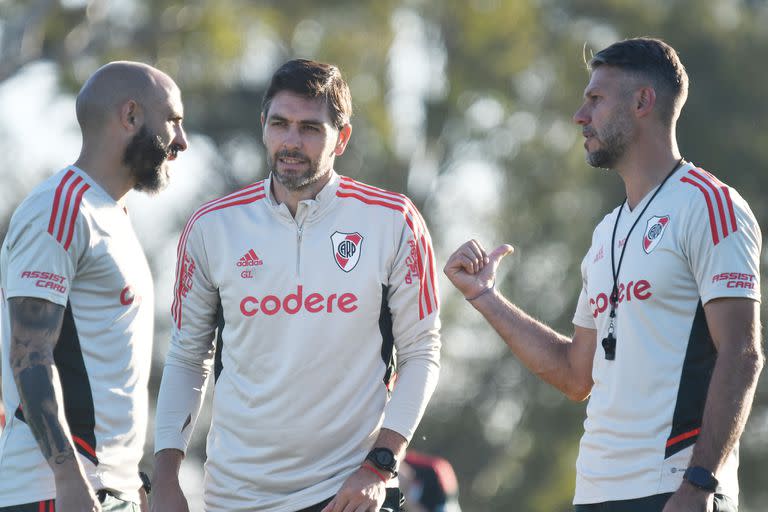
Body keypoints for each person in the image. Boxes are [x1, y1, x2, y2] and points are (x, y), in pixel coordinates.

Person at [444, 38, 762, 512]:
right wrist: (484, 296)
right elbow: (576, 375)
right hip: (597, 490)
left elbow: (741, 353)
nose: (579, 115)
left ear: (642, 102)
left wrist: (699, 483)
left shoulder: (710, 205)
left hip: (676, 488)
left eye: (595, 99)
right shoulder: (606, 233)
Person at [151, 58, 441, 512]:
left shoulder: (393, 220)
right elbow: (188, 356)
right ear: (263, 125)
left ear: (341, 138)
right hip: (235, 496)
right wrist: (166, 475)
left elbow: (422, 352)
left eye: (310, 128)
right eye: (280, 124)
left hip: (347, 492)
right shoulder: (212, 226)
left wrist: (379, 466)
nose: (291, 141)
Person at [0, 61, 188, 512]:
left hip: (108, 488)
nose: (181, 141)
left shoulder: (111, 214)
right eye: (174, 121)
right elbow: (29, 355)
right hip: (55, 491)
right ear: (130, 116)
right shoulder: (60, 208)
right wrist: (68, 479)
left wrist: (132, 483)